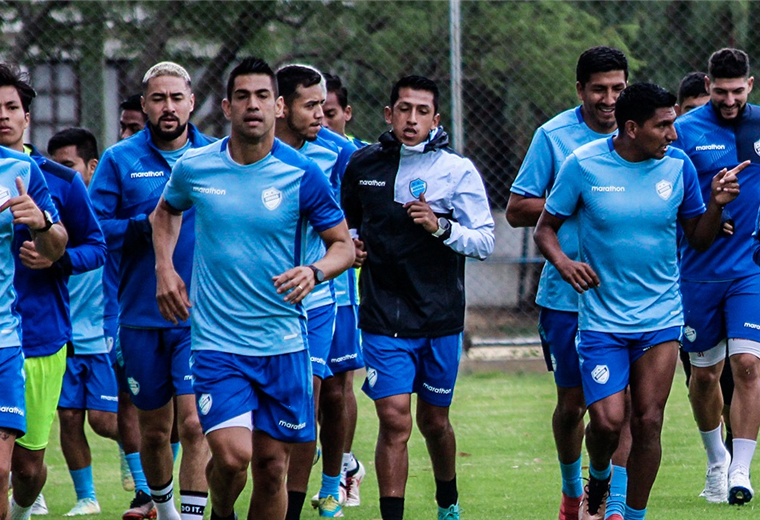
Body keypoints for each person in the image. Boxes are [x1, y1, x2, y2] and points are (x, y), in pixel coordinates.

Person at [151, 56, 354, 520]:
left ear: (279, 106)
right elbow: (165, 212)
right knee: (233, 456)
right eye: (242, 96)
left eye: (263, 96)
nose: (253, 105)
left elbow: (341, 244)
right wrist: (165, 267)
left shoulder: (302, 174)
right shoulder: (195, 167)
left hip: (283, 343)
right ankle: (221, 508)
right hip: (218, 343)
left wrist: (316, 271)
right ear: (226, 106)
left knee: (270, 467)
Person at [534, 82, 744, 520]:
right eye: (663, 125)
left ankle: (632, 515)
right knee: (608, 423)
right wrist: (566, 265)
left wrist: (716, 205)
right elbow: (544, 228)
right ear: (632, 128)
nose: (673, 134)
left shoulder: (678, 166)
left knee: (648, 421)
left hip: (661, 316)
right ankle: (598, 475)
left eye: (673, 123)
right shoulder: (583, 165)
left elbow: (699, 239)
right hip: (602, 321)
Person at [342, 75, 494, 520]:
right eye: (403, 109)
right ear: (389, 114)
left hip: (439, 316)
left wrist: (441, 227)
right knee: (394, 419)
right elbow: (346, 220)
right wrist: (352, 242)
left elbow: (485, 241)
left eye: (422, 111)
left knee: (433, 422)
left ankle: (448, 501)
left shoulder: (456, 170)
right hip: (382, 313)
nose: (412, 119)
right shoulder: (362, 165)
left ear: (435, 119)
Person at [506, 46, 631, 520]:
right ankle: (570, 491)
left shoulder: (638, 133)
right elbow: (518, 208)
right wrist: (574, 198)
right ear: (580, 89)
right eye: (599, 89)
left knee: (625, 406)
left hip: (625, 295)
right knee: (573, 405)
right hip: (566, 296)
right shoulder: (554, 136)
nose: (609, 98)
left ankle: (614, 503)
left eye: (618, 88)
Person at [89, 61, 213, 520]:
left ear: (191, 102)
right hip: (140, 316)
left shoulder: (214, 157)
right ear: (144, 106)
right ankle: (165, 511)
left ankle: (193, 516)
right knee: (155, 432)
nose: (168, 107)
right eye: (158, 99)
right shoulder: (120, 160)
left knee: (196, 422)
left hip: (199, 316)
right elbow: (95, 230)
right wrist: (144, 228)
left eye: (176, 98)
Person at [0, 63, 107, 520]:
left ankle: (23, 511)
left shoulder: (58, 179)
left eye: (12, 108)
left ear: (28, 117)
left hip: (41, 335)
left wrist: (55, 255)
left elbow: (96, 246)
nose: (3, 116)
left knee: (27, 466)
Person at [673, 47, 760, 506]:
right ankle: (716, 463)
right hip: (699, 273)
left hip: (751, 268)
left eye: (736, 91)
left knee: (748, 365)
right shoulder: (684, 133)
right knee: (705, 377)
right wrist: (709, 209)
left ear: (750, 85)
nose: (729, 100)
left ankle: (742, 471)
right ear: (707, 86)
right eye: (720, 91)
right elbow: (669, 202)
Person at [274, 64, 359, 519]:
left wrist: (353, 243)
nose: (322, 115)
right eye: (311, 106)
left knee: (314, 397)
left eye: (324, 106)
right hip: (256, 304)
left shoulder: (337, 152)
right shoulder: (244, 155)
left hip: (322, 299)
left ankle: (320, 493)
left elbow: (354, 216)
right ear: (282, 106)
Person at [47, 128, 120, 517]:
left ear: (91, 167)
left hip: (103, 337)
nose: (59, 174)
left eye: (68, 165)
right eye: (54, 166)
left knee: (107, 422)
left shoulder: (103, 212)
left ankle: (144, 482)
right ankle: (87, 498)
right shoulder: (47, 212)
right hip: (64, 337)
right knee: (69, 419)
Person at [0, 136, 67, 520]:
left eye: (12, 106)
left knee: (8, 469)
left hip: (8, 340)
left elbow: (59, 245)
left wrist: (41, 224)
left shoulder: (22, 171)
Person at [320, 72, 367, 507]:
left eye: (329, 112)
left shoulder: (351, 155)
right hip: (288, 291)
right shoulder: (274, 154)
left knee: (336, 388)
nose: (321, 118)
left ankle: (337, 477)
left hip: (340, 291)